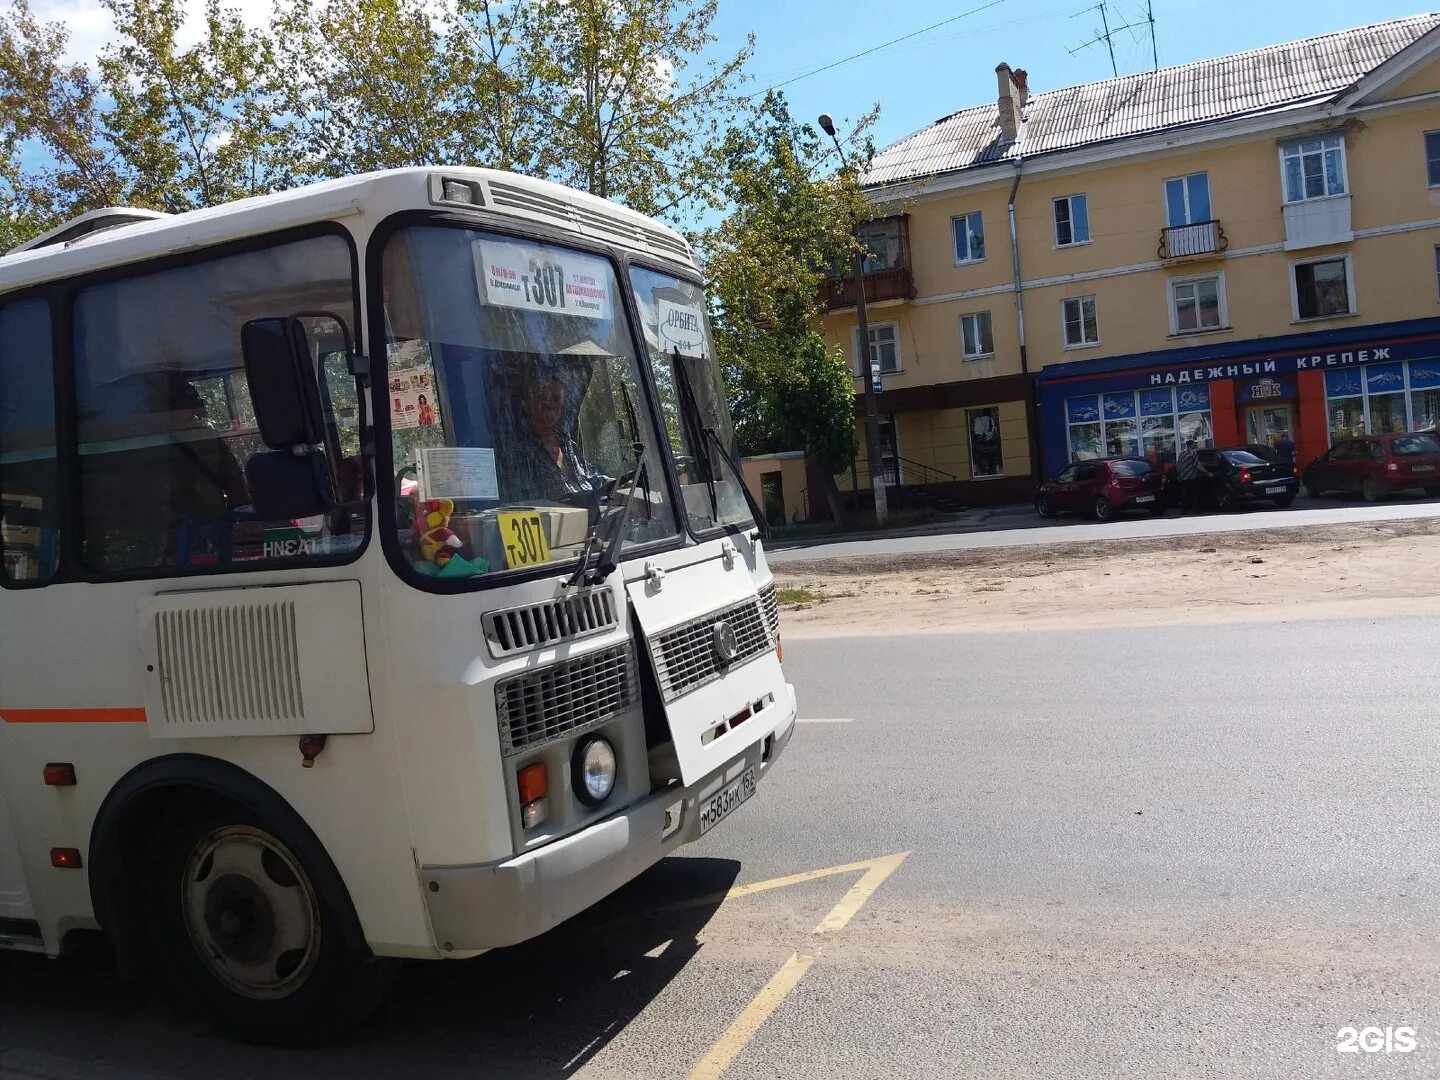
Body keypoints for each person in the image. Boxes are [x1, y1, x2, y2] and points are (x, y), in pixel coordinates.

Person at [1176, 439, 1206, 515]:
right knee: (1194, 494)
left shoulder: (1181, 454)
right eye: (1194, 444)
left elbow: (1178, 466)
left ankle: (1184, 511)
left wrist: (1179, 475)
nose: (1195, 445)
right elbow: (1197, 465)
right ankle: (1197, 510)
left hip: (1183, 477)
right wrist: (1208, 473)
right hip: (1192, 477)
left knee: (1184, 495)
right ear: (1191, 445)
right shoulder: (1193, 454)